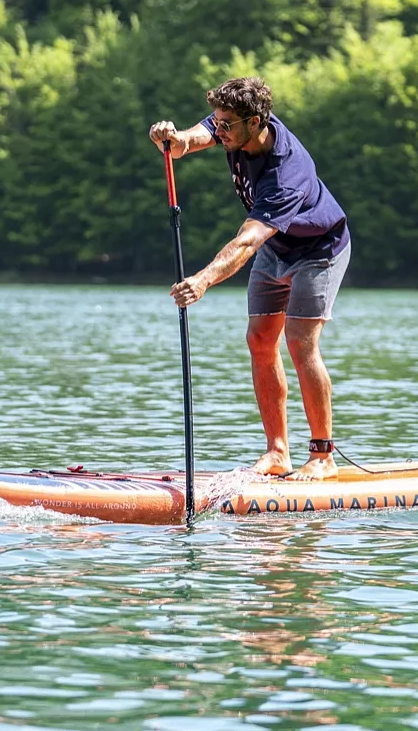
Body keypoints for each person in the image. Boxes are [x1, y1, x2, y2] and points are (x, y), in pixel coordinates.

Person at [149, 76, 352, 481]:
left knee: (298, 342)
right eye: (218, 121)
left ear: (255, 121)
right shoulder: (233, 125)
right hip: (277, 249)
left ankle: (322, 455)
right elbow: (194, 137)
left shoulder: (287, 171)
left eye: (227, 125)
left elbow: (246, 243)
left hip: (318, 251)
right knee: (260, 340)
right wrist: (174, 140)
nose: (219, 130)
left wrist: (204, 280)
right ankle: (278, 453)